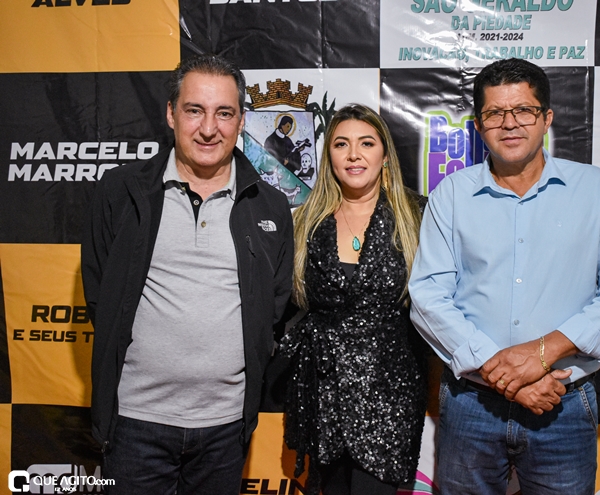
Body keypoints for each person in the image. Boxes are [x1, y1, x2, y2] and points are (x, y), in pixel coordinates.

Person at [408, 58, 600, 495]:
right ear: (478, 126)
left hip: (563, 403)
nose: (509, 123)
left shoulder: (597, 190)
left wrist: (542, 353)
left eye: (523, 110)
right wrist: (505, 376)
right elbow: (428, 297)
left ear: (546, 118)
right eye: (495, 113)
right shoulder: (452, 195)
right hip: (471, 403)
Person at [81, 54, 294, 495]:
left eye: (224, 113)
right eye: (195, 110)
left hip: (225, 427)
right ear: (171, 113)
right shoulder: (120, 191)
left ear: (241, 121)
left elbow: (274, 306)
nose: (209, 128)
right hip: (135, 421)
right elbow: (102, 294)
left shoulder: (270, 206)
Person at [281, 104, 427, 495]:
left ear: (385, 155)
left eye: (366, 143)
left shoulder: (419, 216)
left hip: (389, 396)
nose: (353, 155)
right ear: (328, 155)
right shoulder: (304, 221)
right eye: (341, 144)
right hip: (322, 391)